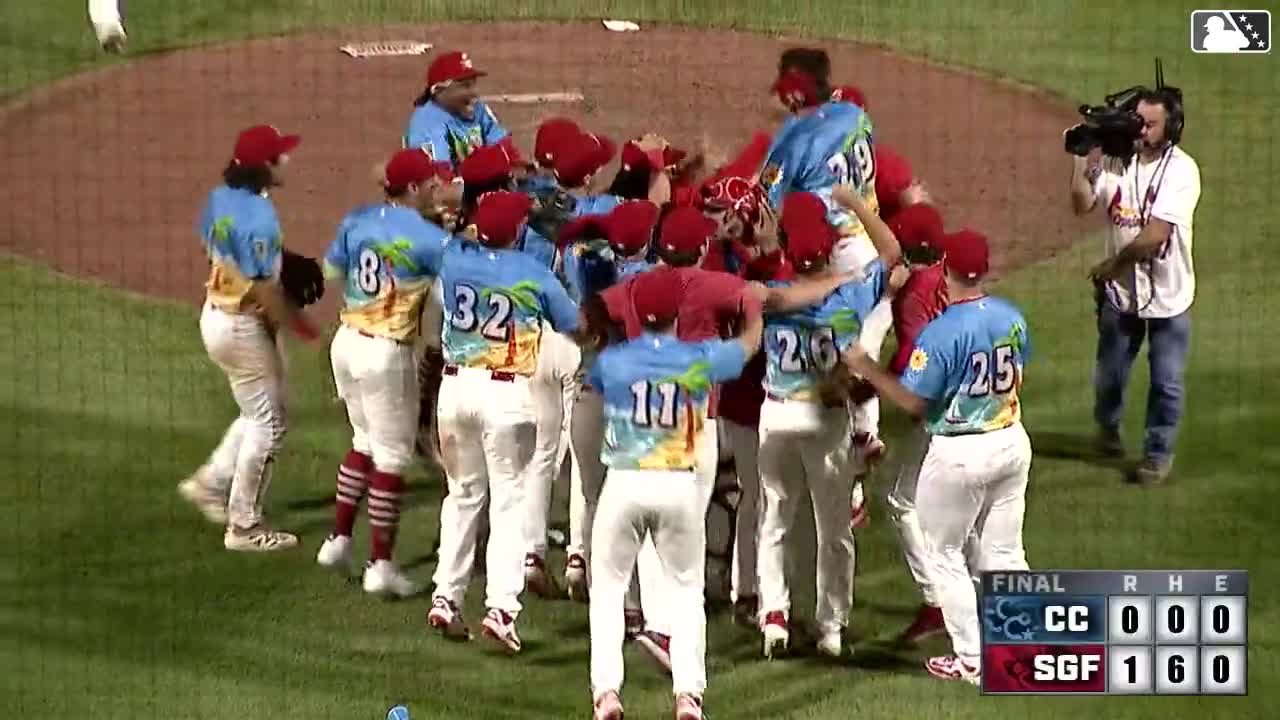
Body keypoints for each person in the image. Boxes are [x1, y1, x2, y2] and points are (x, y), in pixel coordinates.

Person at [583, 204, 861, 670]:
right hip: (693, 423)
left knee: (647, 527)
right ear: (702, 248)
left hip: (637, 418)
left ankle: (658, 624)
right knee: (681, 526)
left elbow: (589, 313)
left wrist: (611, 344)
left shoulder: (635, 286)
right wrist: (839, 284)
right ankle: (672, 632)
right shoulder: (714, 285)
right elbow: (776, 301)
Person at [843, 229, 1033, 684]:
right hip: (1010, 441)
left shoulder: (942, 331)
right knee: (1004, 551)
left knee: (945, 554)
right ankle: (1026, 644)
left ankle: (971, 658)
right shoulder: (1012, 317)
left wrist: (865, 367)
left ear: (945, 270)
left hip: (960, 452)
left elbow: (913, 403)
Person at [586, 266, 763, 720]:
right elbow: (745, 350)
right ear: (677, 313)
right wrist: (755, 315)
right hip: (680, 485)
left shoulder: (613, 362)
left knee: (607, 589)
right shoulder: (700, 357)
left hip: (624, 482)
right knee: (687, 591)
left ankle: (607, 693)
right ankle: (688, 696)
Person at [425, 191, 583, 652]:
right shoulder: (530, 273)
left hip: (453, 392)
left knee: (462, 495)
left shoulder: (452, 258)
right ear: (517, 230)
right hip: (506, 396)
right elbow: (572, 324)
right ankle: (501, 608)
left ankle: (445, 597)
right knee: (510, 501)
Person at [755, 190, 903, 660]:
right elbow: (893, 253)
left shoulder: (766, 291)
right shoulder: (853, 290)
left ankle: (774, 615)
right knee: (834, 526)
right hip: (825, 419)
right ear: (830, 243)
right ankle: (831, 627)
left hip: (777, 413)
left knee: (775, 517)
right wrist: (858, 206)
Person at [314, 149, 455, 597]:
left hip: (346, 341)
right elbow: (457, 288)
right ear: (412, 188)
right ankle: (381, 565)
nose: (437, 190)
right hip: (386, 352)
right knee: (392, 458)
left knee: (363, 442)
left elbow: (332, 269)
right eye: (431, 185)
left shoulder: (358, 219)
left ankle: (337, 540)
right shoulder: (431, 240)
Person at [178, 124, 320, 551]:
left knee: (261, 412)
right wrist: (297, 324)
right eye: (279, 155)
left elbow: (213, 248)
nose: (286, 160)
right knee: (269, 422)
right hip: (241, 326)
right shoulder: (259, 216)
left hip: (218, 314)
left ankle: (210, 483)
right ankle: (244, 526)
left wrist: (276, 264)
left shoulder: (221, 199)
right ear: (263, 166)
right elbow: (262, 289)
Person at [1068, 87, 1200, 485]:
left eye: (1150, 123)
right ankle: (1107, 430)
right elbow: (1081, 204)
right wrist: (1080, 158)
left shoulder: (1181, 170)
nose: (1140, 130)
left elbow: (1155, 235)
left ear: (1172, 126)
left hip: (1169, 299)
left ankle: (1157, 455)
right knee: (1109, 375)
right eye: (1136, 121)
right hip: (1120, 298)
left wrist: (1112, 265)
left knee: (1167, 381)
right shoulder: (1115, 162)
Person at [521, 130, 623, 598]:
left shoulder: (529, 209)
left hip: (535, 339)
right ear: (587, 174)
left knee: (543, 455)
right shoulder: (601, 211)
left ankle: (531, 554)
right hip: (577, 341)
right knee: (586, 460)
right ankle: (579, 561)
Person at [404, 50, 510, 166]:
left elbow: (505, 150)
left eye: (474, 84)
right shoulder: (426, 124)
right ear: (438, 91)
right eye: (465, 86)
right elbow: (437, 177)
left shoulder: (477, 108)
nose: (474, 92)